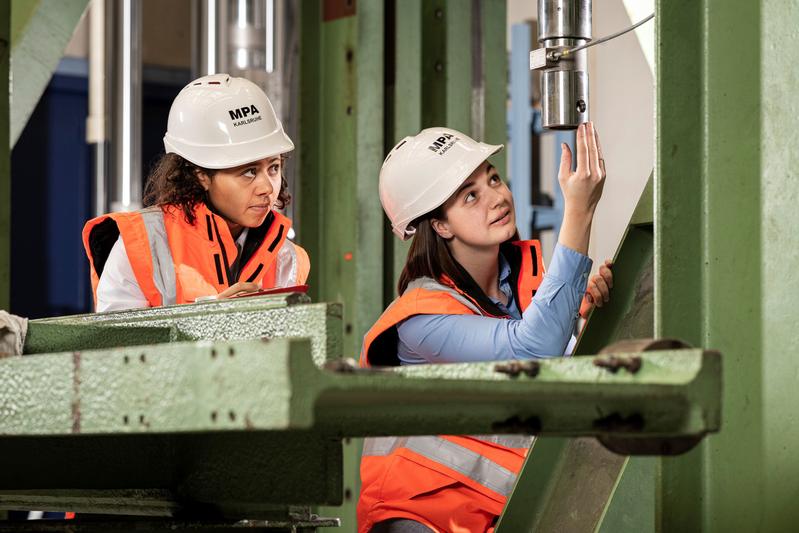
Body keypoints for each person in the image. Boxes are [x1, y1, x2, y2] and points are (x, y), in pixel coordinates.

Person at [358, 123, 612, 532]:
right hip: (420, 521)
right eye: (470, 196)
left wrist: (587, 320)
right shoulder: (420, 321)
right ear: (440, 225)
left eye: (492, 178)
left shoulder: (526, 291)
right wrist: (579, 211)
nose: (496, 197)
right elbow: (533, 352)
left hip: (502, 514)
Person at [82, 74, 309, 312]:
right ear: (201, 174)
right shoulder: (140, 246)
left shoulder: (287, 258)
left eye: (273, 167)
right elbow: (117, 346)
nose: (268, 188)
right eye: (249, 172)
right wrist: (206, 322)